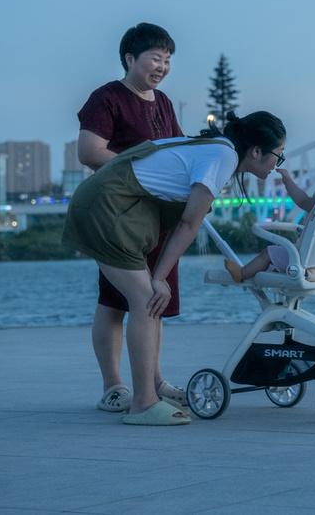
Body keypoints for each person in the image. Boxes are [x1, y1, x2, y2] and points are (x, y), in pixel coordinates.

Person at [62, 111, 287, 425]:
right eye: (279, 154)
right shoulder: (223, 156)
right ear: (257, 151)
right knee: (147, 300)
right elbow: (188, 223)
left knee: (148, 301)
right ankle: (143, 405)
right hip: (107, 208)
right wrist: (159, 277)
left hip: (110, 205)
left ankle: (149, 394)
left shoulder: (217, 149)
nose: (279, 162)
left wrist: (159, 276)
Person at [76, 23, 185, 415]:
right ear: (129, 58)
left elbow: (177, 150)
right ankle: (113, 387)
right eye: (155, 58)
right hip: (117, 217)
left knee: (154, 301)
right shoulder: (107, 98)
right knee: (114, 303)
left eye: (167, 60)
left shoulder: (164, 102)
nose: (162, 67)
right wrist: (145, 167)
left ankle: (153, 381)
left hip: (157, 216)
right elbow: (89, 151)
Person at [224, 167, 315, 283]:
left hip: (303, 260)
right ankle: (273, 269)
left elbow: (303, 201)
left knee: (268, 253)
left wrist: (288, 181)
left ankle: (242, 273)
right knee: (280, 256)